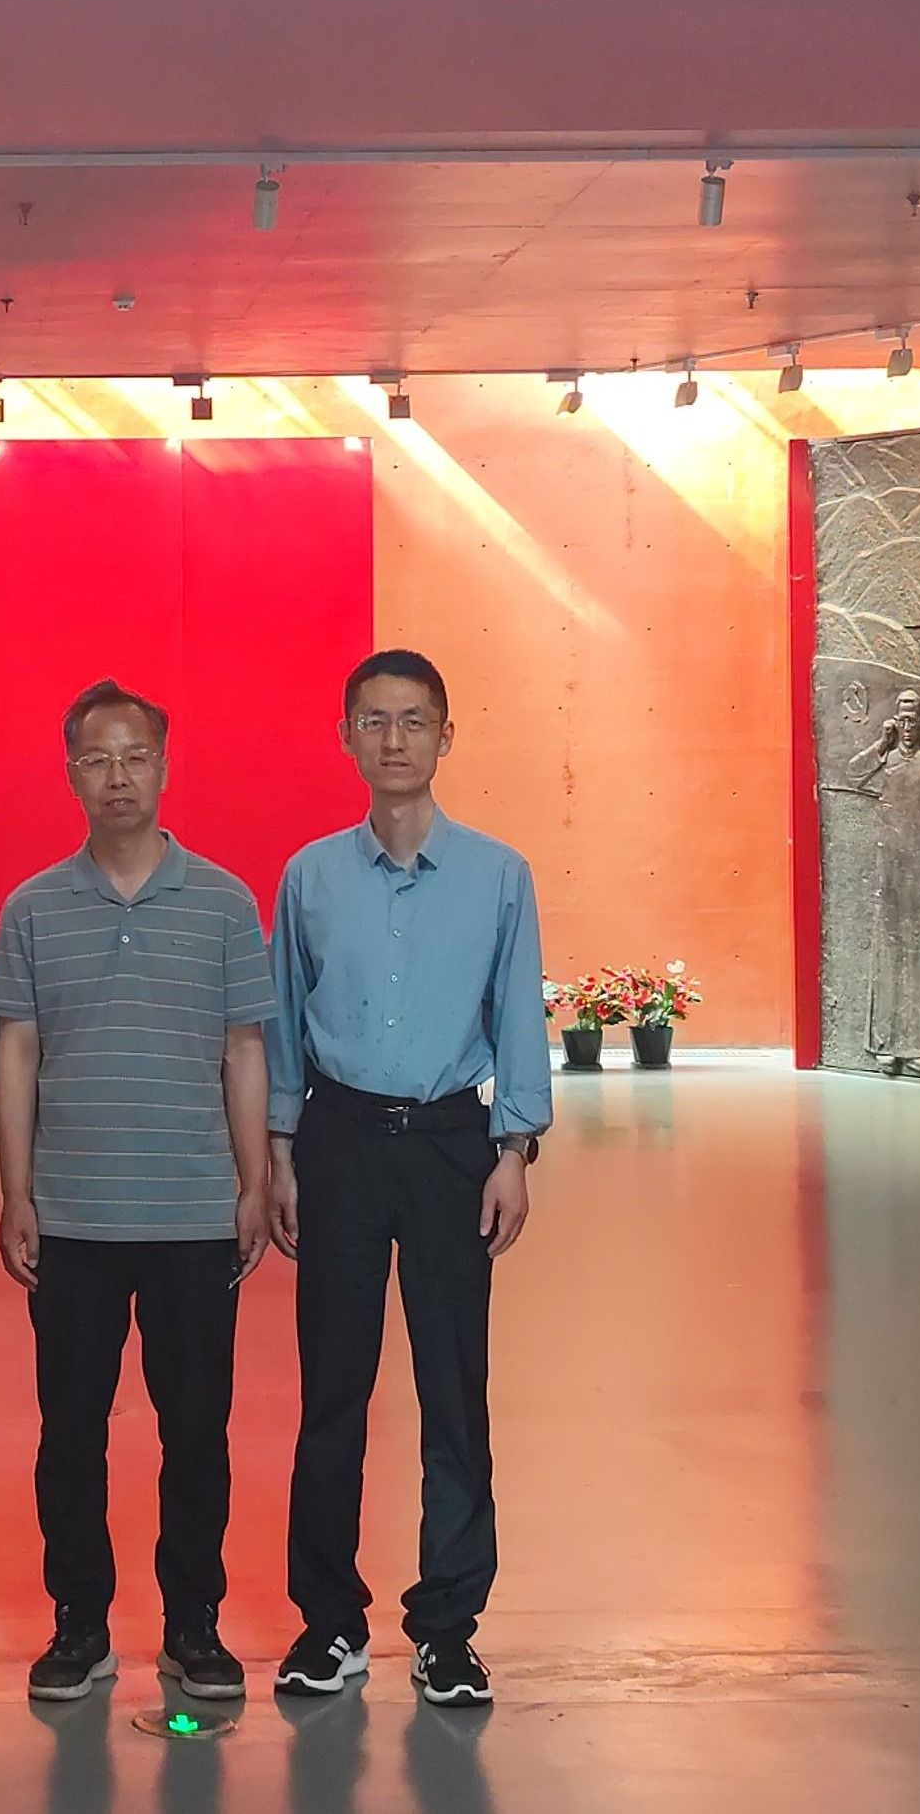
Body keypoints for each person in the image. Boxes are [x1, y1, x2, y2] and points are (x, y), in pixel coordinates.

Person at [267, 648, 549, 1710]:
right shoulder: (309, 876)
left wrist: (513, 1150)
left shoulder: (498, 875)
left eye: (414, 720)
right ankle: (328, 1624)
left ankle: (447, 1631)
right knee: (332, 1389)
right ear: (346, 737)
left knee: (452, 1389)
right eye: (374, 720)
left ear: (445, 736)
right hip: (337, 1139)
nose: (394, 739)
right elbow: (283, 1022)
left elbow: (516, 1014)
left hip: (448, 1148)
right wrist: (281, 1151)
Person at [0, 679, 271, 1706]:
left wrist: (254, 1182)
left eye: (135, 756)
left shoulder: (226, 902)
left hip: (193, 1211)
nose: (118, 776)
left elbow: (245, 1051)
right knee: (71, 1432)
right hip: (72, 1215)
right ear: (70, 773)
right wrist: (16, 1191)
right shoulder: (32, 907)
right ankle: (80, 1623)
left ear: (164, 766)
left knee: (196, 1431)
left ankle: (194, 1624)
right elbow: (18, 1052)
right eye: (97, 758)